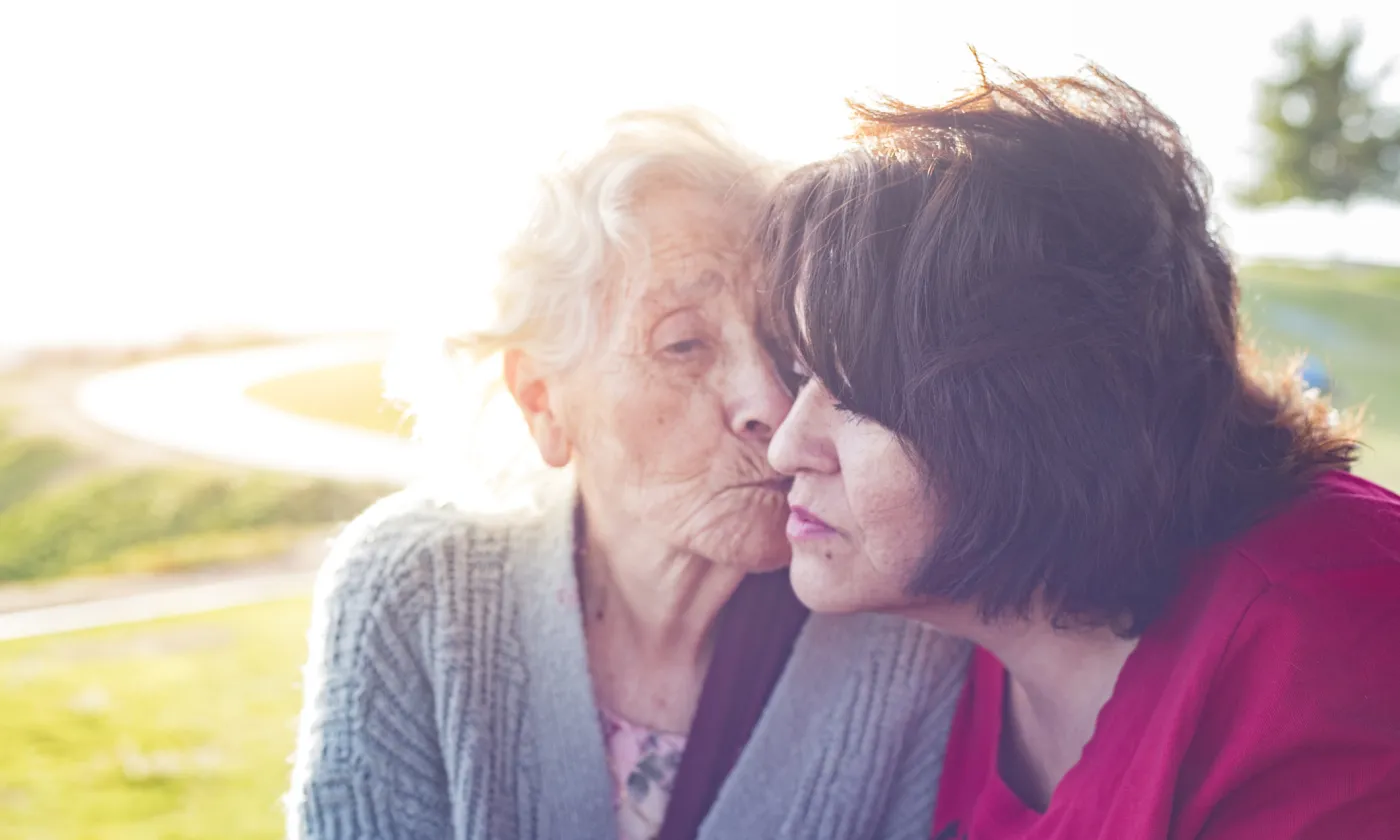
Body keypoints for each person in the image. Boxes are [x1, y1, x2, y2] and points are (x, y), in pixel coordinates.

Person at [285, 109, 968, 840]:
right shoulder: (417, 590)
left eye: (782, 343)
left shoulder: (897, 633)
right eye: (684, 345)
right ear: (542, 402)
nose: (773, 404)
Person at [761, 65, 1400, 839]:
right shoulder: (972, 621)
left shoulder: (1326, 645)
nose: (787, 448)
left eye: (857, 397)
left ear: (1033, 417)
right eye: (803, 374)